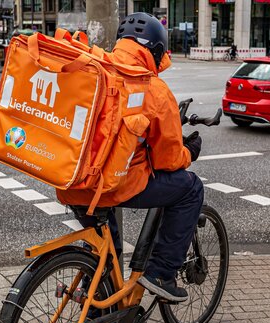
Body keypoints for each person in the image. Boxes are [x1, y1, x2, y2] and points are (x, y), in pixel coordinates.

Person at [57, 12, 204, 303]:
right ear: (157, 51)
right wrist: (189, 152)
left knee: (105, 255)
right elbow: (168, 160)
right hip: (114, 186)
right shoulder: (153, 88)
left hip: (71, 181)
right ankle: (162, 273)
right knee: (190, 188)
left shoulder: (94, 68)